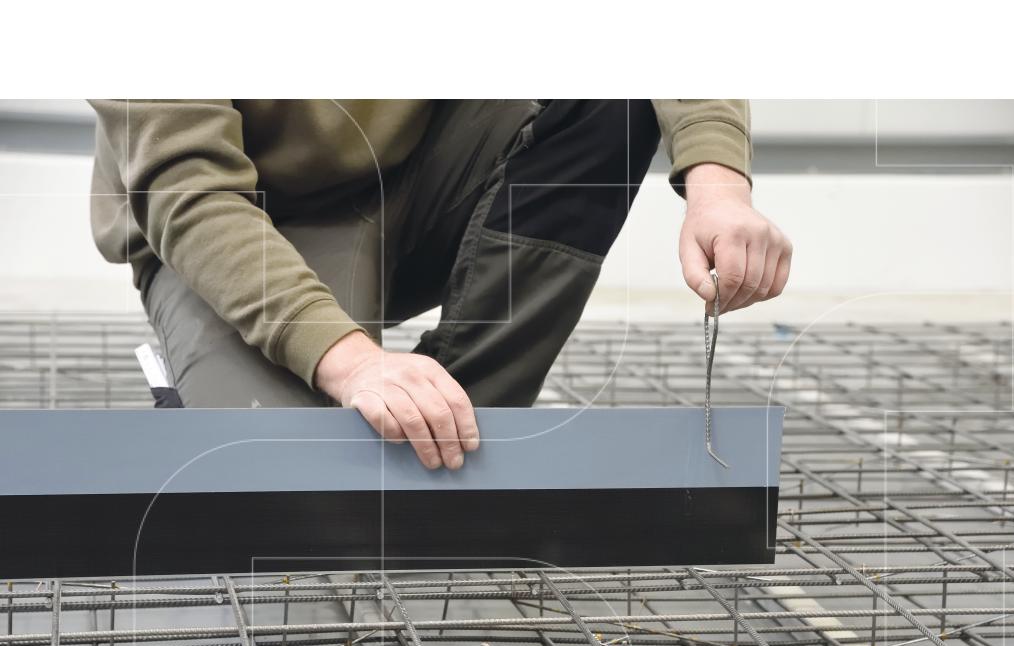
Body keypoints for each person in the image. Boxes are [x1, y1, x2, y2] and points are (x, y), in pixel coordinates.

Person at [89, 100, 792, 470]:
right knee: (283, 483)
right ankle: (229, 383)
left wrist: (719, 186)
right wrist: (353, 363)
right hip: (234, 224)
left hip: (410, 185)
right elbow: (190, 191)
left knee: (610, 99)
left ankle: (453, 422)